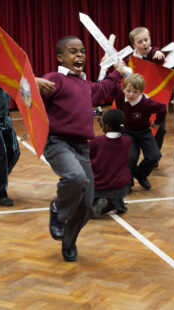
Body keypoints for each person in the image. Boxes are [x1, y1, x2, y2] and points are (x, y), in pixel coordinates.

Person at [42, 35, 127, 262]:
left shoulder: (85, 84)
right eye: (73, 51)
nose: (79, 55)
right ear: (60, 57)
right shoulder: (55, 79)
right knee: (75, 178)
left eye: (81, 51)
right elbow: (26, 91)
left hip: (82, 148)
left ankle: (69, 243)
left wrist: (117, 72)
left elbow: (103, 88)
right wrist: (31, 81)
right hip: (58, 142)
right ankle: (57, 210)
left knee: (87, 205)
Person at [113, 74, 166, 190]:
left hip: (144, 131)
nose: (131, 94)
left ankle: (140, 175)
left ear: (141, 92)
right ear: (123, 90)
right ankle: (128, 181)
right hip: (127, 131)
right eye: (128, 91)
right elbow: (112, 83)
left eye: (135, 92)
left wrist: (157, 123)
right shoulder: (120, 96)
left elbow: (163, 108)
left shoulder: (146, 103)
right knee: (131, 157)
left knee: (155, 156)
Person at [129, 27, 167, 165]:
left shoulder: (155, 54)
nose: (145, 44)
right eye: (140, 42)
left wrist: (158, 53)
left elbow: (159, 59)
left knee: (160, 129)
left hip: (155, 98)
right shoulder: (131, 59)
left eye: (146, 40)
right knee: (138, 129)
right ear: (134, 45)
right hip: (137, 101)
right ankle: (134, 158)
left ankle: (153, 157)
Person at [89, 109, 131, 218]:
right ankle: (117, 202)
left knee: (83, 196)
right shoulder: (127, 141)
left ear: (106, 126)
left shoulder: (96, 142)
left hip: (99, 187)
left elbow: (85, 157)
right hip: (123, 188)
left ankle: (108, 204)